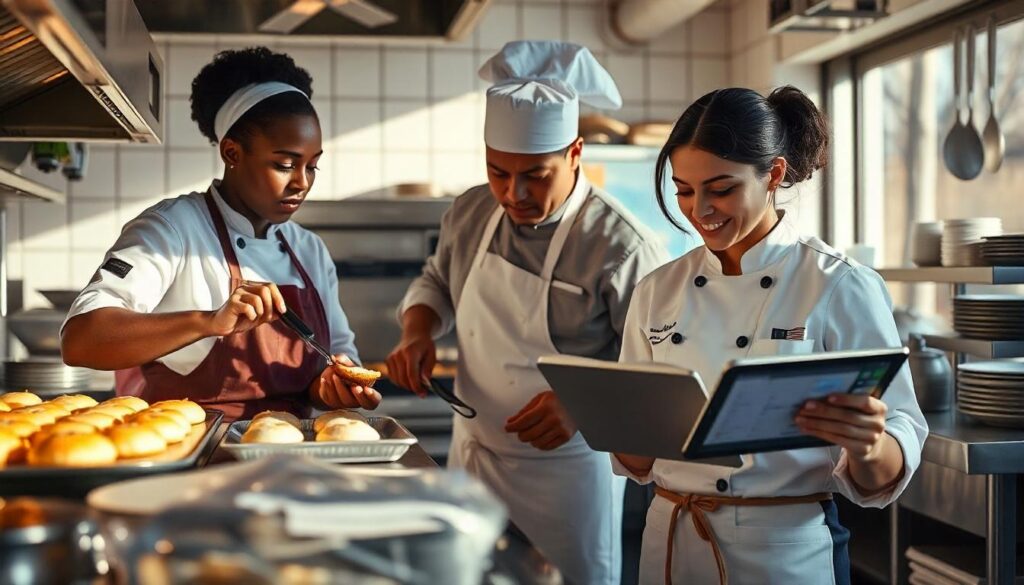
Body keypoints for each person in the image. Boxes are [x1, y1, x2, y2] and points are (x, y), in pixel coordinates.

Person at [612, 86, 928, 585]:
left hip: (783, 553)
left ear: (774, 175)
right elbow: (637, 461)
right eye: (684, 189)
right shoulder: (657, 289)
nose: (700, 210)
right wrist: (611, 424)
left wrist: (868, 447)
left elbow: (891, 460)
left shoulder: (838, 284)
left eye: (721, 189)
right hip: (670, 542)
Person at [386, 41, 670, 585]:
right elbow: (437, 281)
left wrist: (580, 403)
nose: (512, 194)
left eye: (534, 176)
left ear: (575, 152)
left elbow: (656, 368)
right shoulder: (471, 210)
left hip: (569, 475)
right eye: (497, 172)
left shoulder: (621, 245)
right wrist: (417, 330)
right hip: (475, 454)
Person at [61, 47, 381, 421]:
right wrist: (208, 321)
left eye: (312, 166)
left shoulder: (308, 249)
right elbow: (81, 340)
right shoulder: (172, 230)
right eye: (284, 164)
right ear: (231, 152)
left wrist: (328, 388)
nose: (301, 182)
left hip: (290, 453)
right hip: (182, 455)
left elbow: (338, 355)